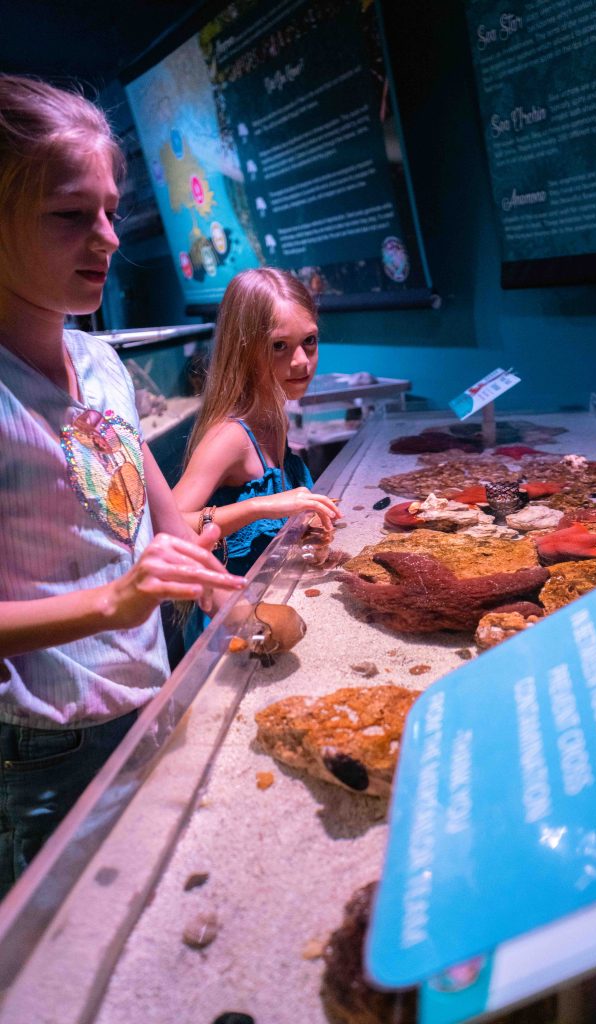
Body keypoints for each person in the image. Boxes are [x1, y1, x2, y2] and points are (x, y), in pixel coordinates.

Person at [0, 74, 246, 898]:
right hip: (46, 744)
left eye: (110, 210)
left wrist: (226, 595)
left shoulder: (103, 362)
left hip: (150, 692)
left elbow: (165, 525)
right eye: (71, 216)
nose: (107, 238)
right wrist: (116, 602)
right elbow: (127, 588)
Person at [173, 267, 341, 638]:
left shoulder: (274, 416)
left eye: (309, 341)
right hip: (231, 627)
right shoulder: (230, 436)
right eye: (279, 346)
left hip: (268, 611)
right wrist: (260, 507)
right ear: (245, 349)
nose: (300, 361)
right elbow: (165, 527)